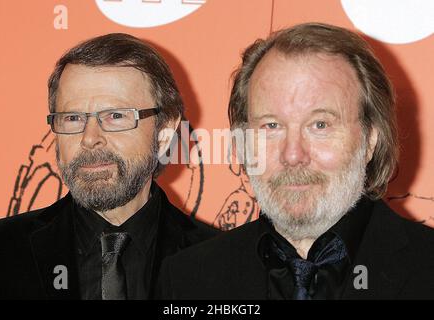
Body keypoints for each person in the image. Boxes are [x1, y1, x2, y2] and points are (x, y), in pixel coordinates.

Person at [157, 23, 434, 299]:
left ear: (370, 140)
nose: (292, 155)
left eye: (320, 125)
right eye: (272, 126)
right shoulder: (188, 278)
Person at [0, 33, 218, 300]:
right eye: (73, 118)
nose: (89, 139)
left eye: (115, 116)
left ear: (164, 132)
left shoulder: (222, 263)